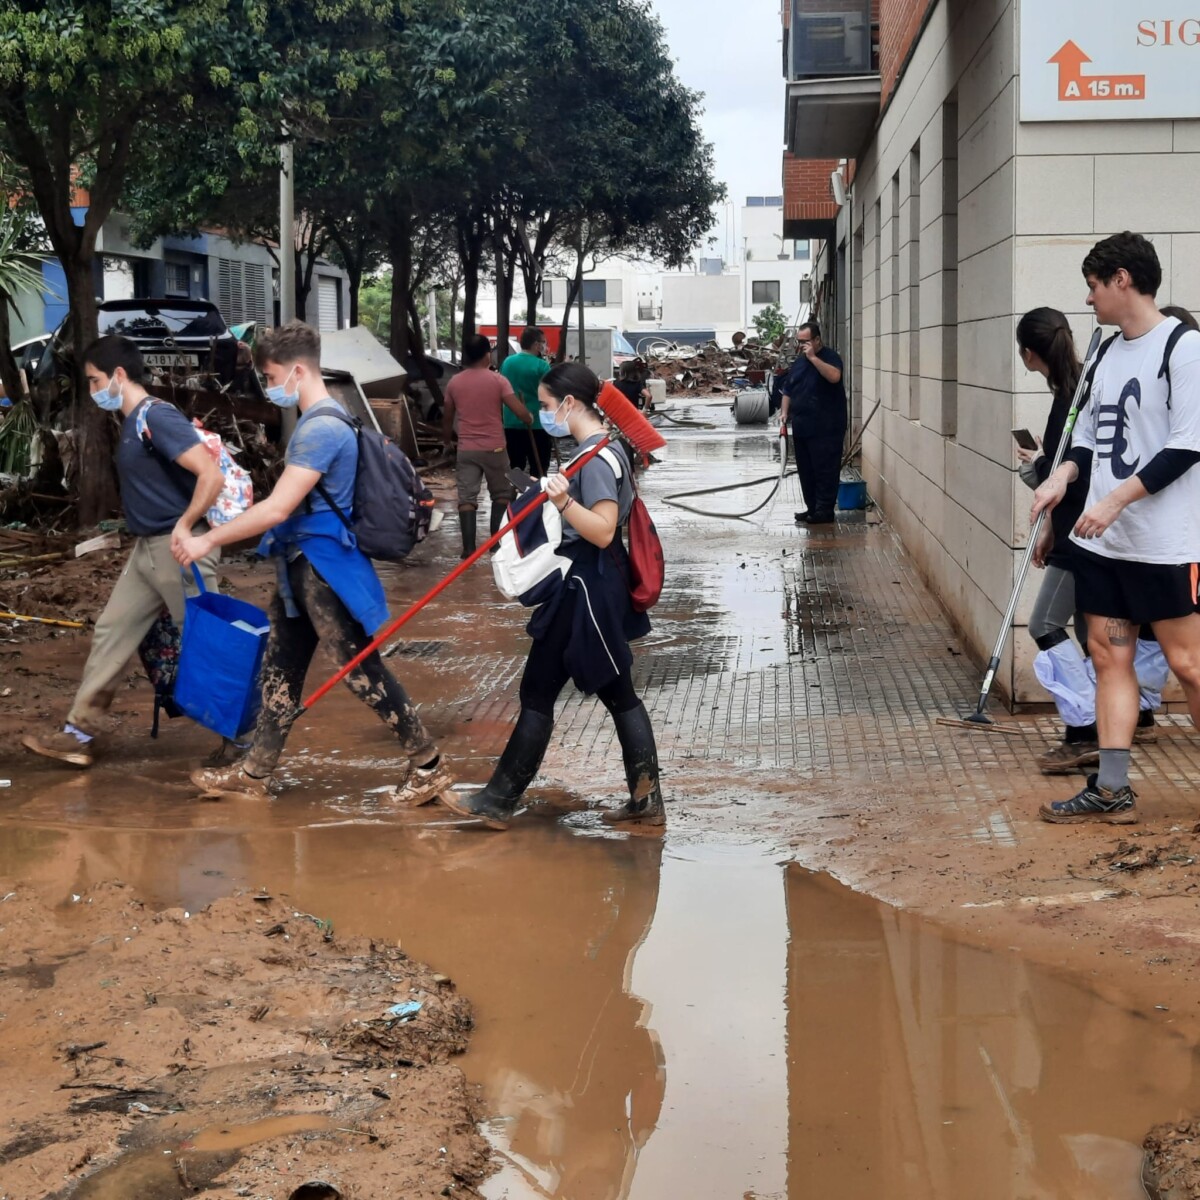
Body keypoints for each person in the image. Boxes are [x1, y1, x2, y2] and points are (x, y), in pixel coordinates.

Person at [176, 320, 452, 804]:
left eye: (271, 376)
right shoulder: (329, 419)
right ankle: (256, 773)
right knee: (281, 668)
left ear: (298, 370)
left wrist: (207, 540)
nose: (269, 387)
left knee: (361, 670)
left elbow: (278, 507)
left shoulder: (320, 428)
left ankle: (427, 764)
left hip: (324, 568)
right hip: (301, 564)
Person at [441, 362, 664, 830]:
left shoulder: (598, 458)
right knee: (583, 692)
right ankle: (643, 804)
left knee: (570, 693)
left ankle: (499, 800)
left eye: (545, 405)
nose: (544, 414)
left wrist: (563, 502)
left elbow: (603, 532)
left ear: (569, 403)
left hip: (586, 586)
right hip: (585, 584)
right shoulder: (600, 449)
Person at [1032, 232, 1200, 824]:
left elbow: (1188, 445)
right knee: (1110, 656)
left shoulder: (1183, 347)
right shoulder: (1104, 354)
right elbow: (1087, 434)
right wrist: (1064, 478)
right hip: (1105, 546)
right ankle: (1112, 787)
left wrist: (1118, 502)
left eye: (1094, 285)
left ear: (1122, 279)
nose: (1088, 299)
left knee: (1189, 665)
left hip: (1166, 545)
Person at [22, 335, 223, 768]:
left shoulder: (157, 417)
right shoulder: (132, 422)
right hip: (147, 551)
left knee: (209, 647)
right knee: (113, 630)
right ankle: (79, 733)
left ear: (118, 375)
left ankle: (248, 741)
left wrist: (186, 527)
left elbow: (211, 475)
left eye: (95, 380)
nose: (93, 391)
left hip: (178, 548)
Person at [1017, 308, 1167, 774]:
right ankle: (1125, 718)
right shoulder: (1079, 384)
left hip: (1084, 536)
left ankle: (1085, 730)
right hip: (1079, 531)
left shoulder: (1074, 394)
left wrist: (1037, 468)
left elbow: (1079, 475)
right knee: (1093, 637)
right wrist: (1047, 522)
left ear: (1028, 353)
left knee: (1045, 622)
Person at [444, 333, 533, 559]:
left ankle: (468, 550)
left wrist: (447, 440)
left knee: (467, 498)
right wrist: (528, 417)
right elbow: (519, 411)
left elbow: (447, 416)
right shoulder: (498, 380)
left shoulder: (455, 382)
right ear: (487, 355)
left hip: (466, 449)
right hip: (495, 448)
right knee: (502, 494)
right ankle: (496, 546)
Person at [779, 321, 847, 526]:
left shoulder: (829, 357)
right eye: (799, 342)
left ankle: (824, 511)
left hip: (826, 427)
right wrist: (784, 413)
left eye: (805, 341)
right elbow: (788, 390)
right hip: (803, 427)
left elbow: (835, 377)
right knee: (806, 470)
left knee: (824, 469)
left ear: (817, 340)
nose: (802, 346)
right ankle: (812, 508)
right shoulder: (799, 363)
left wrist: (813, 358)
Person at [500, 327, 552, 475]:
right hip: (537, 425)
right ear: (536, 344)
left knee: (515, 469)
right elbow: (549, 393)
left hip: (511, 423)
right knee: (539, 469)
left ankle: (515, 497)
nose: (544, 346)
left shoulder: (507, 362)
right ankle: (537, 497)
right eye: (543, 342)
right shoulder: (542, 366)